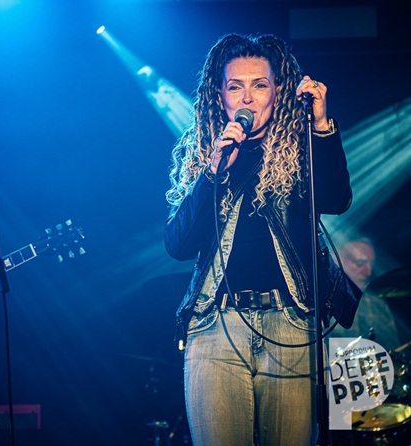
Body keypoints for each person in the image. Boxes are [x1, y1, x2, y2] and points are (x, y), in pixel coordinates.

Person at [164, 33, 358, 445]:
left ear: (277, 91)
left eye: (260, 85)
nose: (247, 98)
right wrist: (214, 171)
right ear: (220, 96)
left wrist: (321, 126)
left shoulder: (300, 147)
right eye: (236, 86)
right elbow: (177, 245)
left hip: (290, 324)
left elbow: (337, 199)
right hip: (217, 326)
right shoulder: (208, 154)